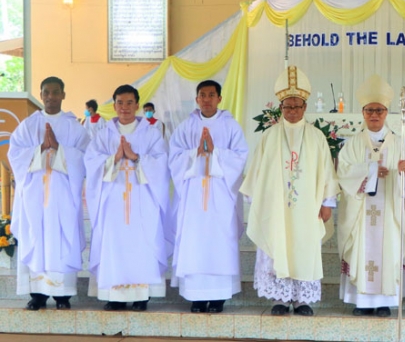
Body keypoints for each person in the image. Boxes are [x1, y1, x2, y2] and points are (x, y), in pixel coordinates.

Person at [240, 65, 340, 317]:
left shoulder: (317, 137)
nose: (292, 111)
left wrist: (327, 202)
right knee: (278, 245)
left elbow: (327, 170)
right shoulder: (269, 136)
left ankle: (302, 300)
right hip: (275, 207)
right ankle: (280, 299)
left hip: (308, 208)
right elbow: (256, 172)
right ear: (280, 108)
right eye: (287, 106)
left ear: (305, 107)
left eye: (296, 106)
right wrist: (258, 201)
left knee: (303, 248)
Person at [337, 75, 405, 317]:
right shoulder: (352, 143)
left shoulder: (398, 143)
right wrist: (371, 171)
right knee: (363, 250)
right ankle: (361, 301)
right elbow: (343, 172)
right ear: (363, 112)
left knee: (388, 249)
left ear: (386, 113)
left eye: (379, 110)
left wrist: (404, 174)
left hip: (389, 209)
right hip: (361, 211)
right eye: (369, 110)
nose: (374, 114)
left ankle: (385, 301)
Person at [85, 84, 171, 312]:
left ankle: (141, 296)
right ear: (114, 105)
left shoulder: (151, 134)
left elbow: (162, 163)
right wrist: (114, 159)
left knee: (141, 242)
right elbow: (91, 163)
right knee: (114, 243)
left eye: (129, 102)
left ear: (138, 105)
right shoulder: (104, 135)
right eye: (120, 103)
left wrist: (136, 157)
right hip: (113, 200)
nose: (124, 108)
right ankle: (115, 296)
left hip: (142, 200)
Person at [8, 76, 89, 311]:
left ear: (63, 94)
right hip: (34, 196)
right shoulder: (28, 126)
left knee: (62, 238)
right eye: (46, 92)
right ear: (41, 95)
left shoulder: (74, 127)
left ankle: (62, 295)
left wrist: (60, 150)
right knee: (36, 237)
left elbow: (86, 158)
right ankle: (38, 294)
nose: (50, 97)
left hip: (63, 196)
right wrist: (41, 148)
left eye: (55, 92)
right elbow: (15, 155)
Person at [169, 80, 248, 313]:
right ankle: (196, 296)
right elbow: (174, 158)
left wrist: (216, 152)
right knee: (194, 241)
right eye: (202, 95)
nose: (206, 99)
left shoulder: (231, 126)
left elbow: (241, 157)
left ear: (219, 99)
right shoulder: (185, 127)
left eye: (211, 95)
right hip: (193, 193)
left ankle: (219, 296)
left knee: (219, 241)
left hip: (220, 195)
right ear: (197, 99)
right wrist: (196, 153)